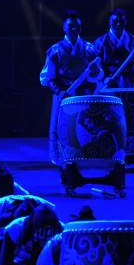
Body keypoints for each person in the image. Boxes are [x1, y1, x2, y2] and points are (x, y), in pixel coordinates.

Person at [40, 10, 104, 165]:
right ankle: (58, 156)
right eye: (70, 25)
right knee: (58, 123)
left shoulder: (90, 50)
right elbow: (47, 77)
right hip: (62, 92)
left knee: (86, 123)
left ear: (80, 28)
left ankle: (86, 153)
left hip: (83, 92)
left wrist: (95, 70)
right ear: (64, 27)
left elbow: (97, 76)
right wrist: (58, 91)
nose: (73, 28)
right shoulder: (55, 50)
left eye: (76, 26)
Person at [92, 8, 134, 88]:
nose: (119, 24)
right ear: (109, 22)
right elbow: (94, 65)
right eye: (115, 21)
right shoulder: (100, 42)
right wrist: (104, 79)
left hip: (128, 82)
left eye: (122, 21)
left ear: (125, 22)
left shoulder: (133, 40)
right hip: (107, 82)